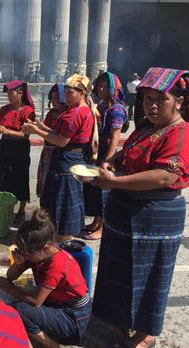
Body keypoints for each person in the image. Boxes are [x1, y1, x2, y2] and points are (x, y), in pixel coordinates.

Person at [91, 67, 189, 348]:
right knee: (120, 267)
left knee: (149, 274)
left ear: (178, 101)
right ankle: (116, 319)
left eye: (161, 99)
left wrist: (115, 181)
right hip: (124, 211)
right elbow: (125, 155)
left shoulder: (183, 134)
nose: (152, 105)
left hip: (155, 216)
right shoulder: (146, 130)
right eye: (147, 99)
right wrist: (111, 164)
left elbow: (164, 176)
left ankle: (145, 331)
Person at [0, 209, 91, 348]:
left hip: (74, 319)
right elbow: (10, 276)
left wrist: (11, 289)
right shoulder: (37, 254)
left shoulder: (57, 264)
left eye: (27, 254)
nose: (25, 256)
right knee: (11, 305)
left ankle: (51, 345)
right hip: (57, 305)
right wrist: (18, 263)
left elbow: (36, 301)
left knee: (21, 310)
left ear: (46, 248)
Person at [24, 75, 96, 242]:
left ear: (82, 93)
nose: (66, 97)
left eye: (70, 93)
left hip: (67, 160)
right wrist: (42, 127)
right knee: (62, 203)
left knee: (62, 205)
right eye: (66, 93)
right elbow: (63, 135)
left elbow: (61, 141)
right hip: (72, 158)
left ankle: (62, 242)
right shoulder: (81, 110)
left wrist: (36, 131)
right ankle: (60, 239)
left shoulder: (76, 113)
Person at [82, 72, 126, 240]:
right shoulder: (102, 106)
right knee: (96, 188)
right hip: (97, 150)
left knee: (104, 191)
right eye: (99, 85)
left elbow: (115, 136)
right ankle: (95, 222)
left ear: (112, 89)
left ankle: (102, 228)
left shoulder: (116, 109)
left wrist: (107, 160)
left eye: (105, 86)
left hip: (106, 152)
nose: (101, 89)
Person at [0, 80, 36, 222]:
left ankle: (22, 210)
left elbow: (25, 135)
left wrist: (6, 131)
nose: (9, 97)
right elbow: (0, 127)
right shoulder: (5, 109)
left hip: (20, 148)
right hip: (4, 146)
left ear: (20, 93)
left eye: (11, 94)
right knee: (3, 178)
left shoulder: (28, 111)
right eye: (8, 94)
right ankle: (5, 208)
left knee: (21, 178)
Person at [22, 84, 68, 203]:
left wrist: (40, 128)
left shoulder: (67, 114)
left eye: (55, 98)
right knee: (44, 180)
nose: (53, 102)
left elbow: (60, 135)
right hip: (46, 151)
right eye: (51, 98)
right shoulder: (51, 113)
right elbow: (46, 129)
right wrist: (37, 126)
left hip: (57, 152)